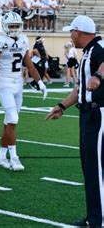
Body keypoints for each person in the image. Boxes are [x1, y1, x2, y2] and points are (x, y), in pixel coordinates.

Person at [46, 15, 104, 227]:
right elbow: (79, 89)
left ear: (79, 32)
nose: (70, 35)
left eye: (72, 31)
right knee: (90, 168)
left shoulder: (98, 48)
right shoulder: (88, 52)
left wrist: (98, 76)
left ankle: (98, 220)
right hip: (88, 114)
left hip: (98, 114)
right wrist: (61, 106)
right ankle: (94, 217)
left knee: (96, 168)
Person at [0, 12, 47, 171]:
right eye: (11, 26)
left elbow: (29, 64)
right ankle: (14, 158)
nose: (14, 29)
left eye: (16, 26)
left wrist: (40, 81)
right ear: (5, 26)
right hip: (5, 82)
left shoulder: (23, 39)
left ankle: (1, 157)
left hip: (18, 83)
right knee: (13, 119)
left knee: (9, 122)